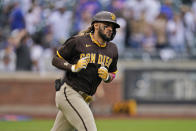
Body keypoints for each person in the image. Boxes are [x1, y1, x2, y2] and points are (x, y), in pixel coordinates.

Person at [51, 11, 120, 131]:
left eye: (113, 26)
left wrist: (107, 77)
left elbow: (113, 73)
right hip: (70, 93)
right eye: (107, 25)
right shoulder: (79, 41)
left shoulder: (112, 49)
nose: (110, 29)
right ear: (96, 25)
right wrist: (73, 67)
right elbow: (56, 59)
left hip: (85, 98)